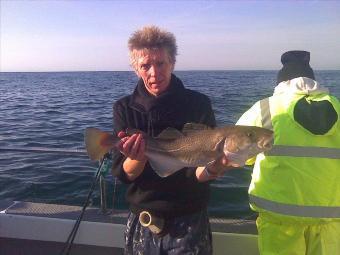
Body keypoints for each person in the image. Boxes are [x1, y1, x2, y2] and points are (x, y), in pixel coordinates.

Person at [111, 25, 231, 255]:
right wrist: (137, 158)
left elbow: (199, 172)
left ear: (172, 62)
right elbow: (124, 174)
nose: (154, 73)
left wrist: (215, 168)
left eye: (161, 63)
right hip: (143, 220)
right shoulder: (124, 108)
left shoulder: (198, 104)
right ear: (135, 68)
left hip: (189, 219)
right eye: (145, 65)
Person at [236, 50, 340, 255]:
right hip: (331, 223)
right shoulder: (338, 108)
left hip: (279, 223)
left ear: (280, 82)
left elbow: (236, 154)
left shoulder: (264, 109)